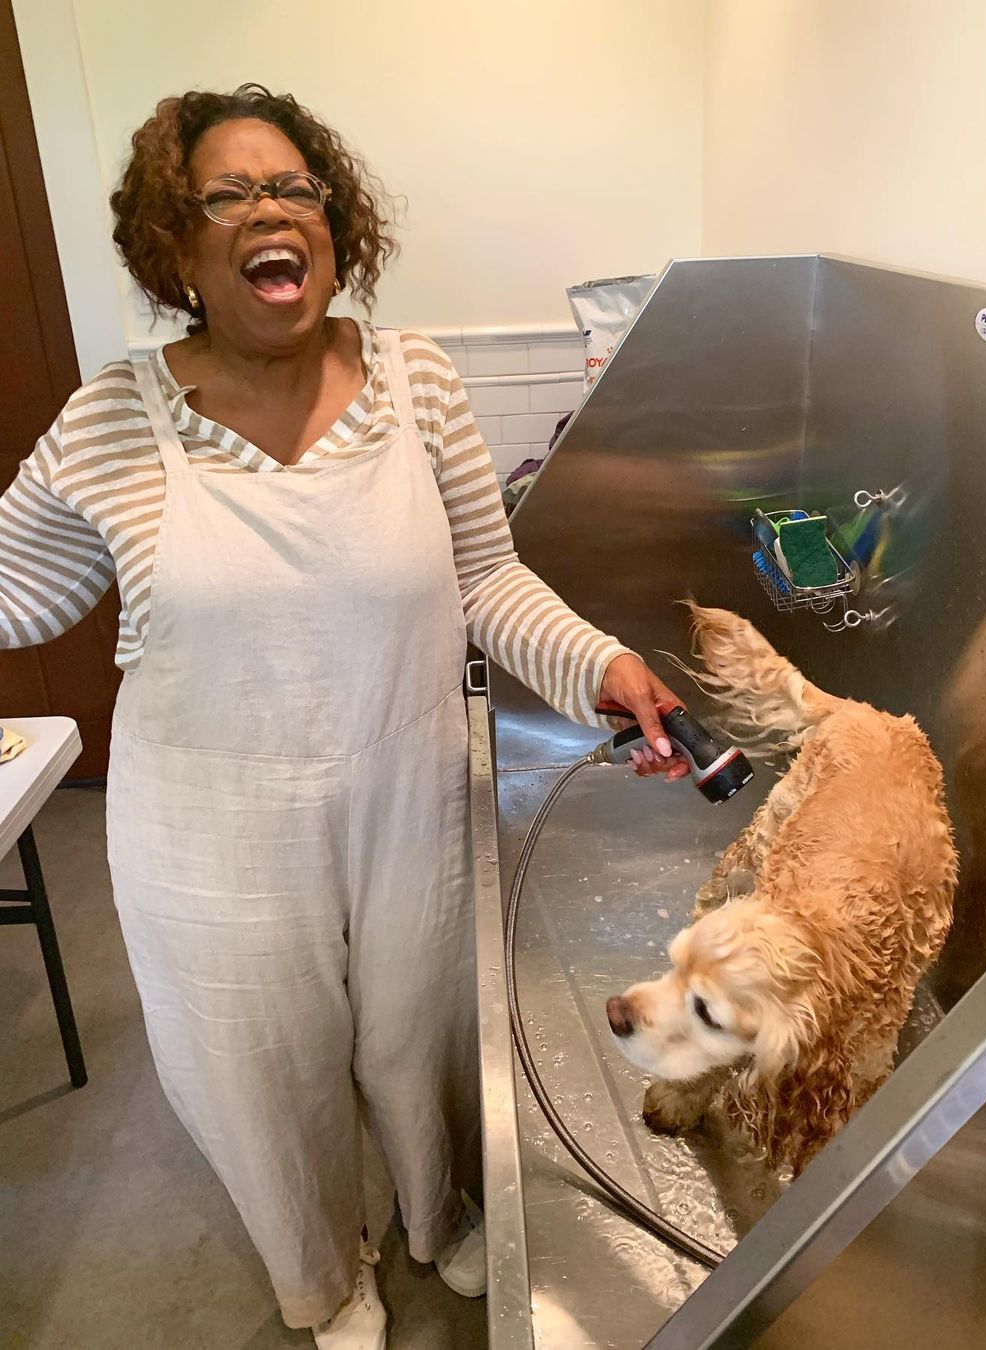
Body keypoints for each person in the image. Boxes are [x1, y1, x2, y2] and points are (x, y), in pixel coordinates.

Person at [0, 83, 688, 1348]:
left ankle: (438, 1216)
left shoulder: (413, 379)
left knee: (425, 1037)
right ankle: (326, 1275)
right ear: (175, 244)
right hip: (206, 831)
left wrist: (596, 661)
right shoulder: (114, 420)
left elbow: (487, 577)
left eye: (294, 188)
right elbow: (15, 595)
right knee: (258, 1070)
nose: (271, 210)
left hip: (406, 794)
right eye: (229, 194)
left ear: (332, 223)